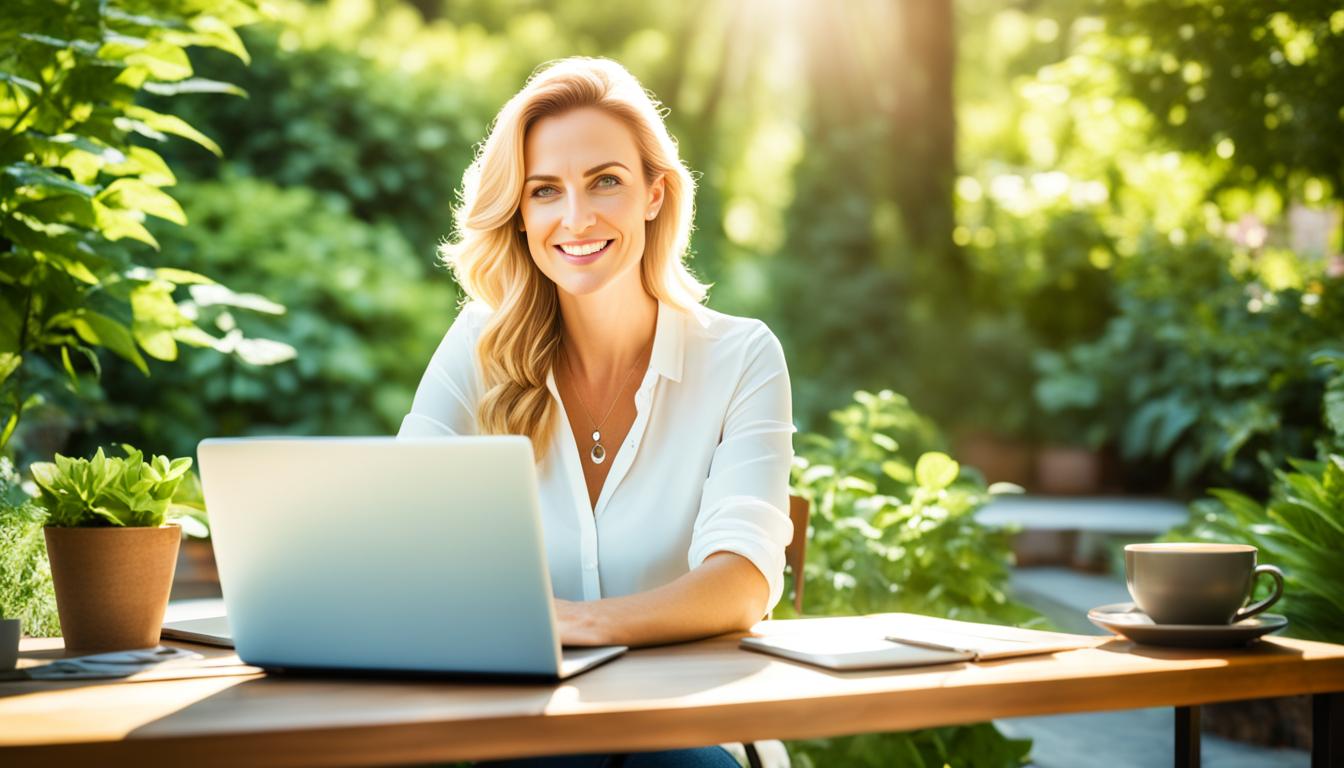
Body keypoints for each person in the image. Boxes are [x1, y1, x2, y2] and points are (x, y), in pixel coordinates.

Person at [399, 57, 794, 768]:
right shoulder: (477, 348)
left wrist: (581, 624)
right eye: (544, 190)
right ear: (519, 215)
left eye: (604, 181)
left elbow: (742, 580)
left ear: (654, 192)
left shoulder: (741, 357)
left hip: (683, 726)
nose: (575, 218)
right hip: (517, 723)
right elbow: (392, 523)